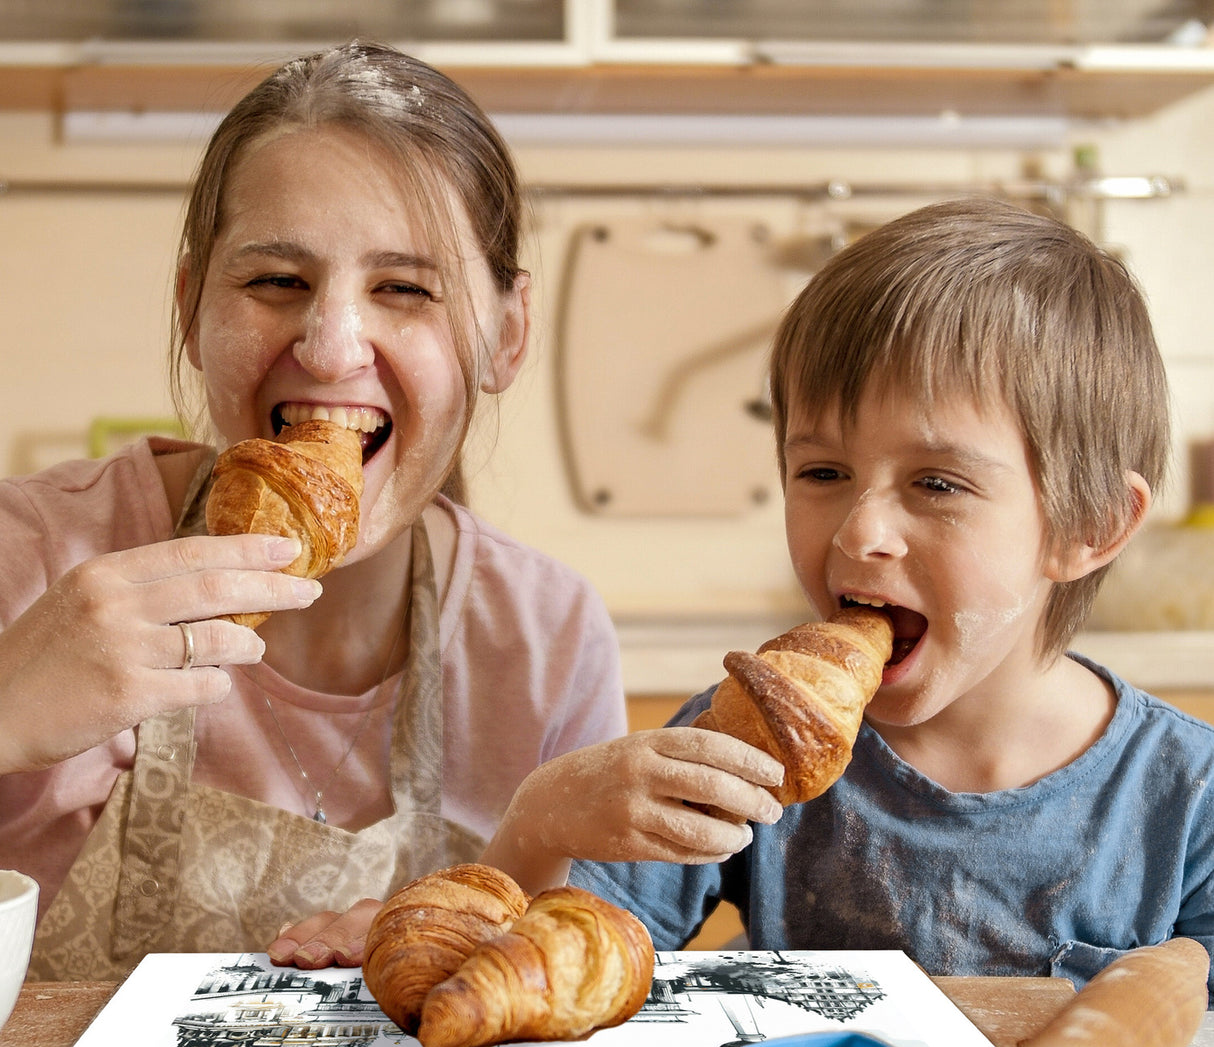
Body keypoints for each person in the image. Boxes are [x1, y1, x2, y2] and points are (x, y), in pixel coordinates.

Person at [2, 40, 629, 981]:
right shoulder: (35, 557)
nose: (333, 348)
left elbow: (580, 983)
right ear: (190, 309)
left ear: (507, 334)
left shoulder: (545, 638)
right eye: (275, 282)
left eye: (405, 290)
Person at [488, 196, 1214, 997]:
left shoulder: (1188, 799)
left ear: (1091, 524)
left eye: (937, 482)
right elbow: (551, 969)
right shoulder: (748, 740)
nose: (859, 531)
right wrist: (540, 820)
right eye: (824, 473)